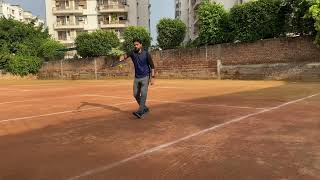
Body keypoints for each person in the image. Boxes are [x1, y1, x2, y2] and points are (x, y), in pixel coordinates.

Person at [120, 39, 155, 118]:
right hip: (137, 77)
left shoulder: (146, 54)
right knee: (135, 94)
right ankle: (144, 108)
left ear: (141, 45)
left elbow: (152, 67)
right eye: (134, 45)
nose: (135, 46)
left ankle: (140, 111)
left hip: (145, 77)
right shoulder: (132, 53)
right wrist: (122, 57)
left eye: (137, 44)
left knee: (143, 93)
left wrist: (152, 78)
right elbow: (125, 56)